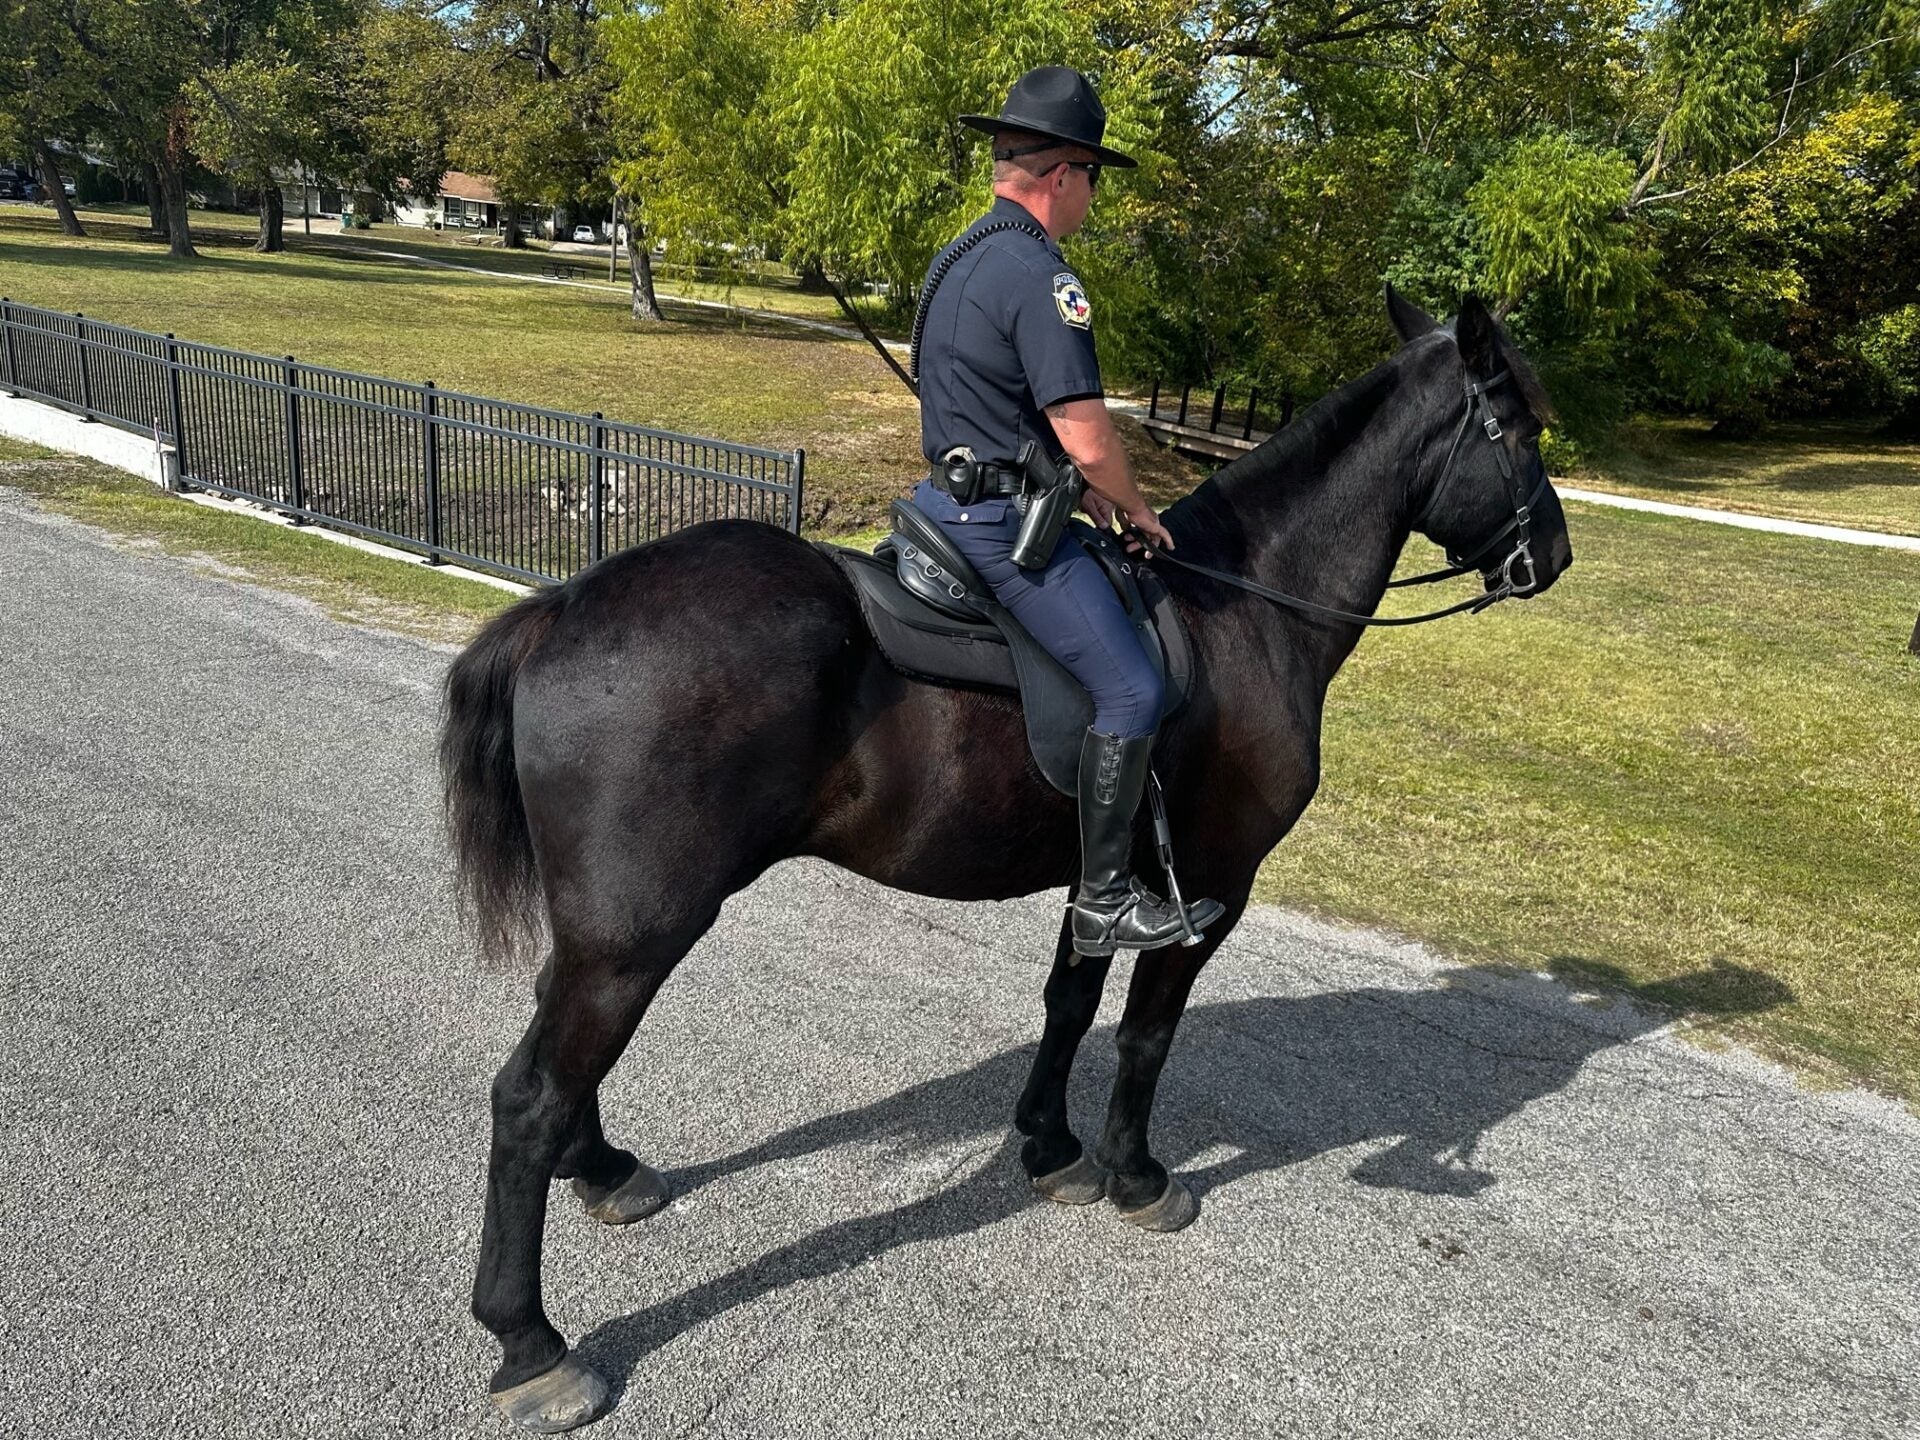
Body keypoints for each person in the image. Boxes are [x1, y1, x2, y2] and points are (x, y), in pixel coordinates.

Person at [910, 65, 1223, 958]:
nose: (1092, 197)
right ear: (1062, 173)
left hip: (946, 499)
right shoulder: (1046, 277)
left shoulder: (960, 255)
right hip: (1005, 532)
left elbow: (983, 403)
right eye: (1092, 177)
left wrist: (1072, 483)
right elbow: (1087, 438)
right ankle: (1104, 900)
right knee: (1134, 688)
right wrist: (1135, 506)